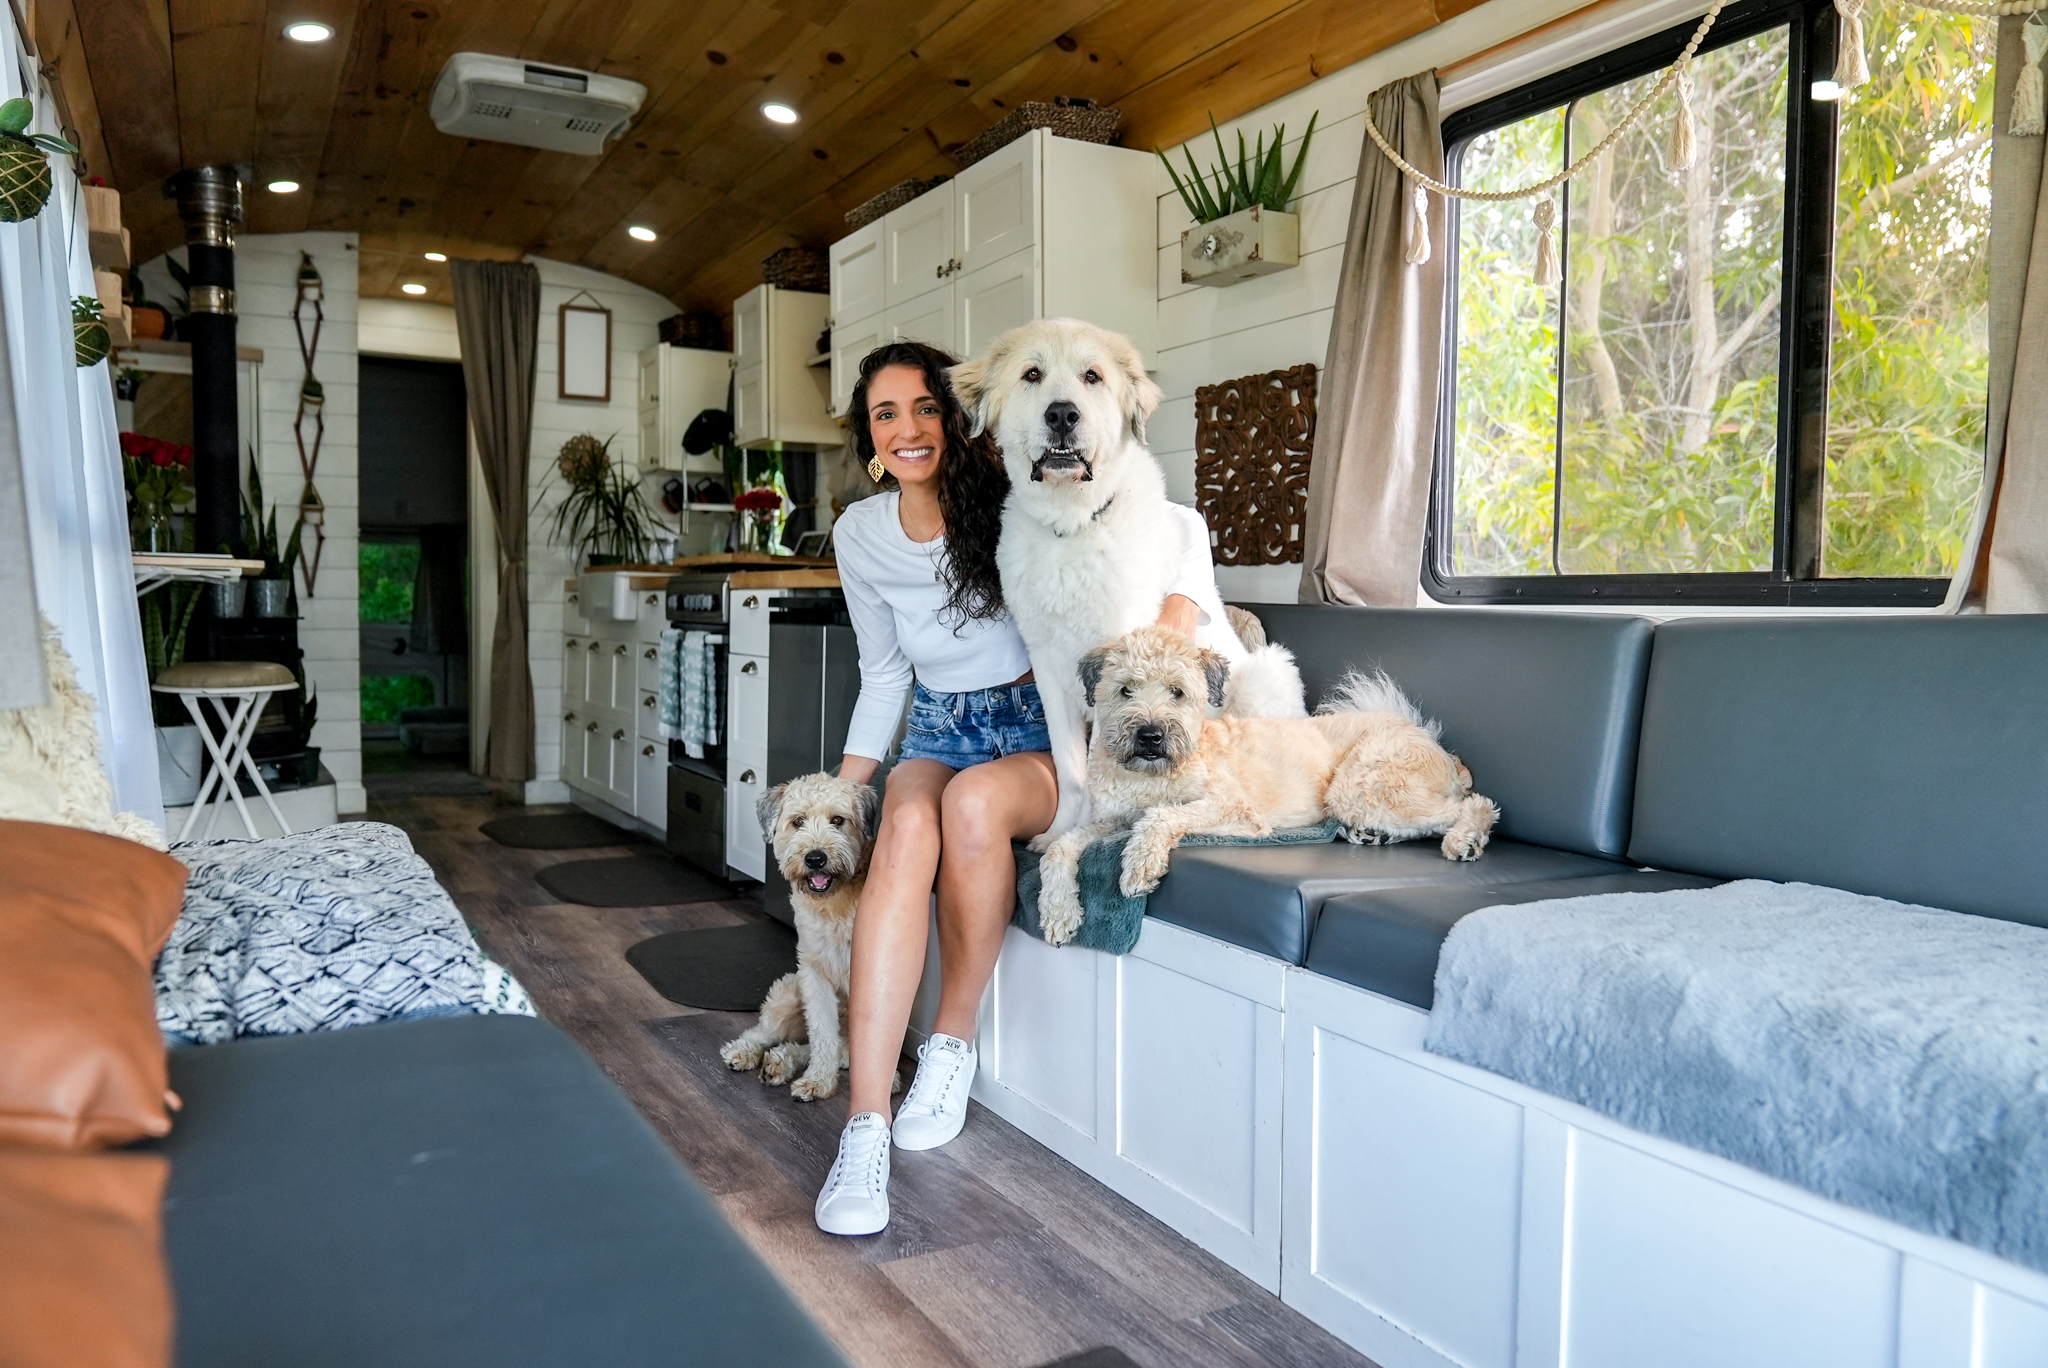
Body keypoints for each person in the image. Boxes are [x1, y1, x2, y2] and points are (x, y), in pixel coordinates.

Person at [814, 340, 1217, 1237]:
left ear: (955, 420)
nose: (909, 429)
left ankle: (950, 1046)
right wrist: (838, 797)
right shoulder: (860, 535)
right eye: (886, 415)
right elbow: (884, 676)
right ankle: (866, 1126)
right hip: (938, 726)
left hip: (1035, 730)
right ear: (869, 438)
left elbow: (1172, 521)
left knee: (969, 807)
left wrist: (1183, 606)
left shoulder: (1015, 489)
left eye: (925, 408)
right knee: (902, 837)